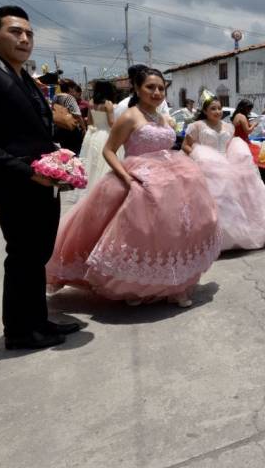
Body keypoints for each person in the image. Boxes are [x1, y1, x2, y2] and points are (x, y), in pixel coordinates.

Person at [47, 68, 221, 307]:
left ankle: (175, 285)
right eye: (150, 87)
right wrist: (126, 178)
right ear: (137, 89)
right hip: (139, 179)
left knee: (174, 234)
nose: (157, 92)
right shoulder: (130, 116)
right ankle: (136, 288)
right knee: (141, 236)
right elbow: (109, 150)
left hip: (171, 179)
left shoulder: (161, 117)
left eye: (161, 88)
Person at [0, 5, 80, 350]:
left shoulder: (24, 77)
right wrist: (29, 173)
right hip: (16, 186)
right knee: (22, 258)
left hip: (43, 185)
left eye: (28, 33)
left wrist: (60, 160)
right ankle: (19, 332)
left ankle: (38, 321)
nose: (24, 38)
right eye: (15, 32)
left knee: (37, 256)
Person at [183, 94, 265, 251]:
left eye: (219, 108)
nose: (217, 111)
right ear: (205, 111)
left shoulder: (229, 127)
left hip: (226, 168)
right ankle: (210, 240)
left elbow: (230, 146)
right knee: (211, 205)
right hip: (205, 168)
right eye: (213, 108)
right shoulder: (197, 126)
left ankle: (233, 238)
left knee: (232, 204)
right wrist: (198, 155)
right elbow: (185, 146)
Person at [72, 80, 120, 195]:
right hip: (107, 134)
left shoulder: (92, 102)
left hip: (95, 134)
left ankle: (94, 188)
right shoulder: (108, 104)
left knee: (94, 163)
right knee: (106, 163)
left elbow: (90, 121)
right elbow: (111, 123)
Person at [52, 78, 86, 154]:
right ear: (70, 88)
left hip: (60, 128)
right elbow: (77, 114)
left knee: (65, 152)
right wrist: (84, 128)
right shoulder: (69, 98)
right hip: (71, 130)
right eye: (73, 88)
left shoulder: (55, 97)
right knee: (75, 152)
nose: (74, 90)